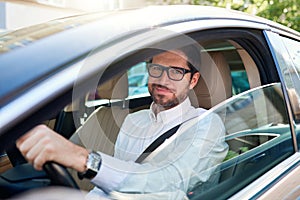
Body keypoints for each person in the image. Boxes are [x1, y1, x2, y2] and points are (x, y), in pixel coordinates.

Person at [16, 45, 228, 199]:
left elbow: (168, 182)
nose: (163, 80)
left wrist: (84, 159)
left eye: (176, 72)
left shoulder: (207, 124)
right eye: (157, 69)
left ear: (193, 80)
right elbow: (114, 187)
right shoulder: (133, 120)